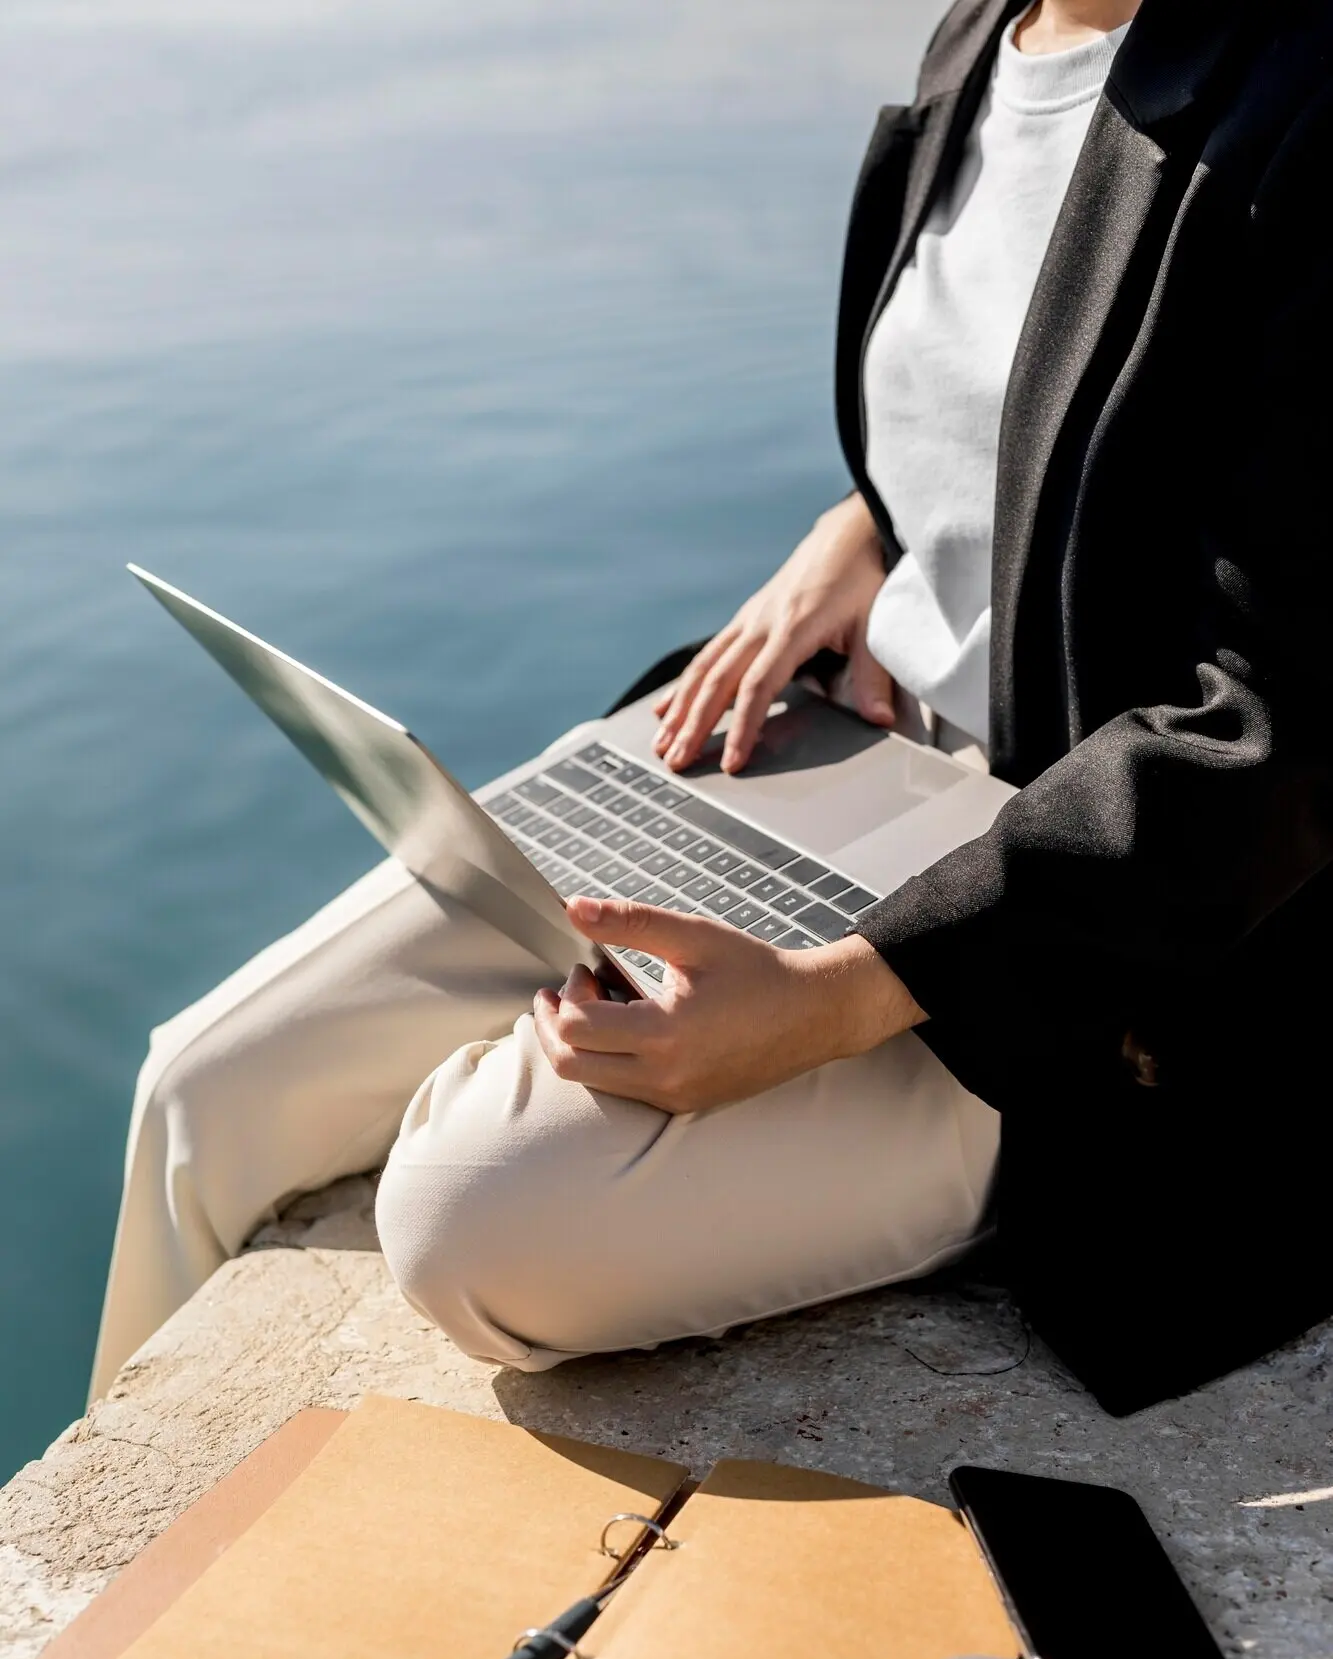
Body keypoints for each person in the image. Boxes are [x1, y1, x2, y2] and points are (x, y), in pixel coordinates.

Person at [92, 0, 1333, 1416]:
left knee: (468, 1216)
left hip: (1081, 944)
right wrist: (868, 526)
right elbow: (1037, 412)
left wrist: (837, 1000)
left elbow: (1283, 730)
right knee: (201, 1091)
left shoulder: (1300, 107)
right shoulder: (983, 38)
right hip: (837, 757)